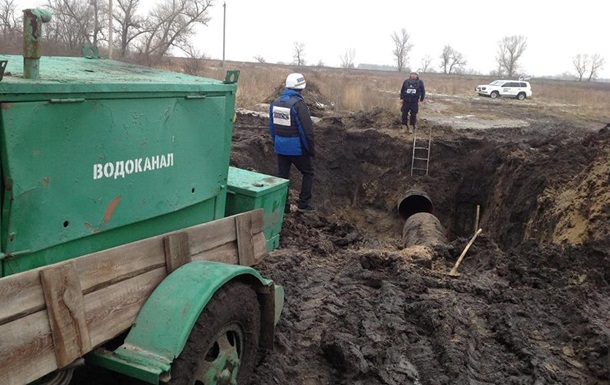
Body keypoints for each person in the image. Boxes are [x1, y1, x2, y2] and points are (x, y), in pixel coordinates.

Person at [269, 73, 316, 213]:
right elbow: (306, 131)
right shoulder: (299, 105)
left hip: (280, 147)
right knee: (308, 172)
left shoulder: (275, 103)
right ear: (301, 87)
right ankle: (303, 204)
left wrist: (276, 142)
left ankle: (284, 206)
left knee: (283, 177)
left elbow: (272, 127)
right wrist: (310, 149)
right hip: (296, 149)